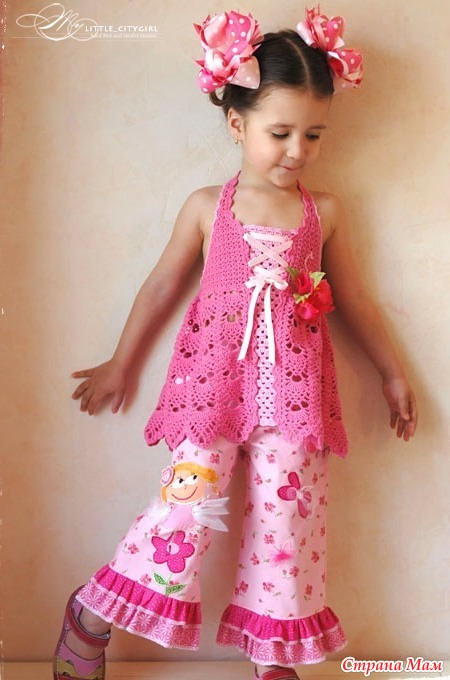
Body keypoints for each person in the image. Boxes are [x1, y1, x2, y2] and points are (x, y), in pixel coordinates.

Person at [53, 7, 418, 680]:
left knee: (289, 525)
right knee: (186, 512)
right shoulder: (206, 207)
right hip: (212, 392)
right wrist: (120, 362)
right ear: (236, 124)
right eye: (280, 133)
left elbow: (358, 302)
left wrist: (393, 374)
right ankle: (91, 614)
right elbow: (161, 287)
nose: (297, 150)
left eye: (313, 134)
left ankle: (273, 655)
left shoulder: (324, 213)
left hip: (296, 400)